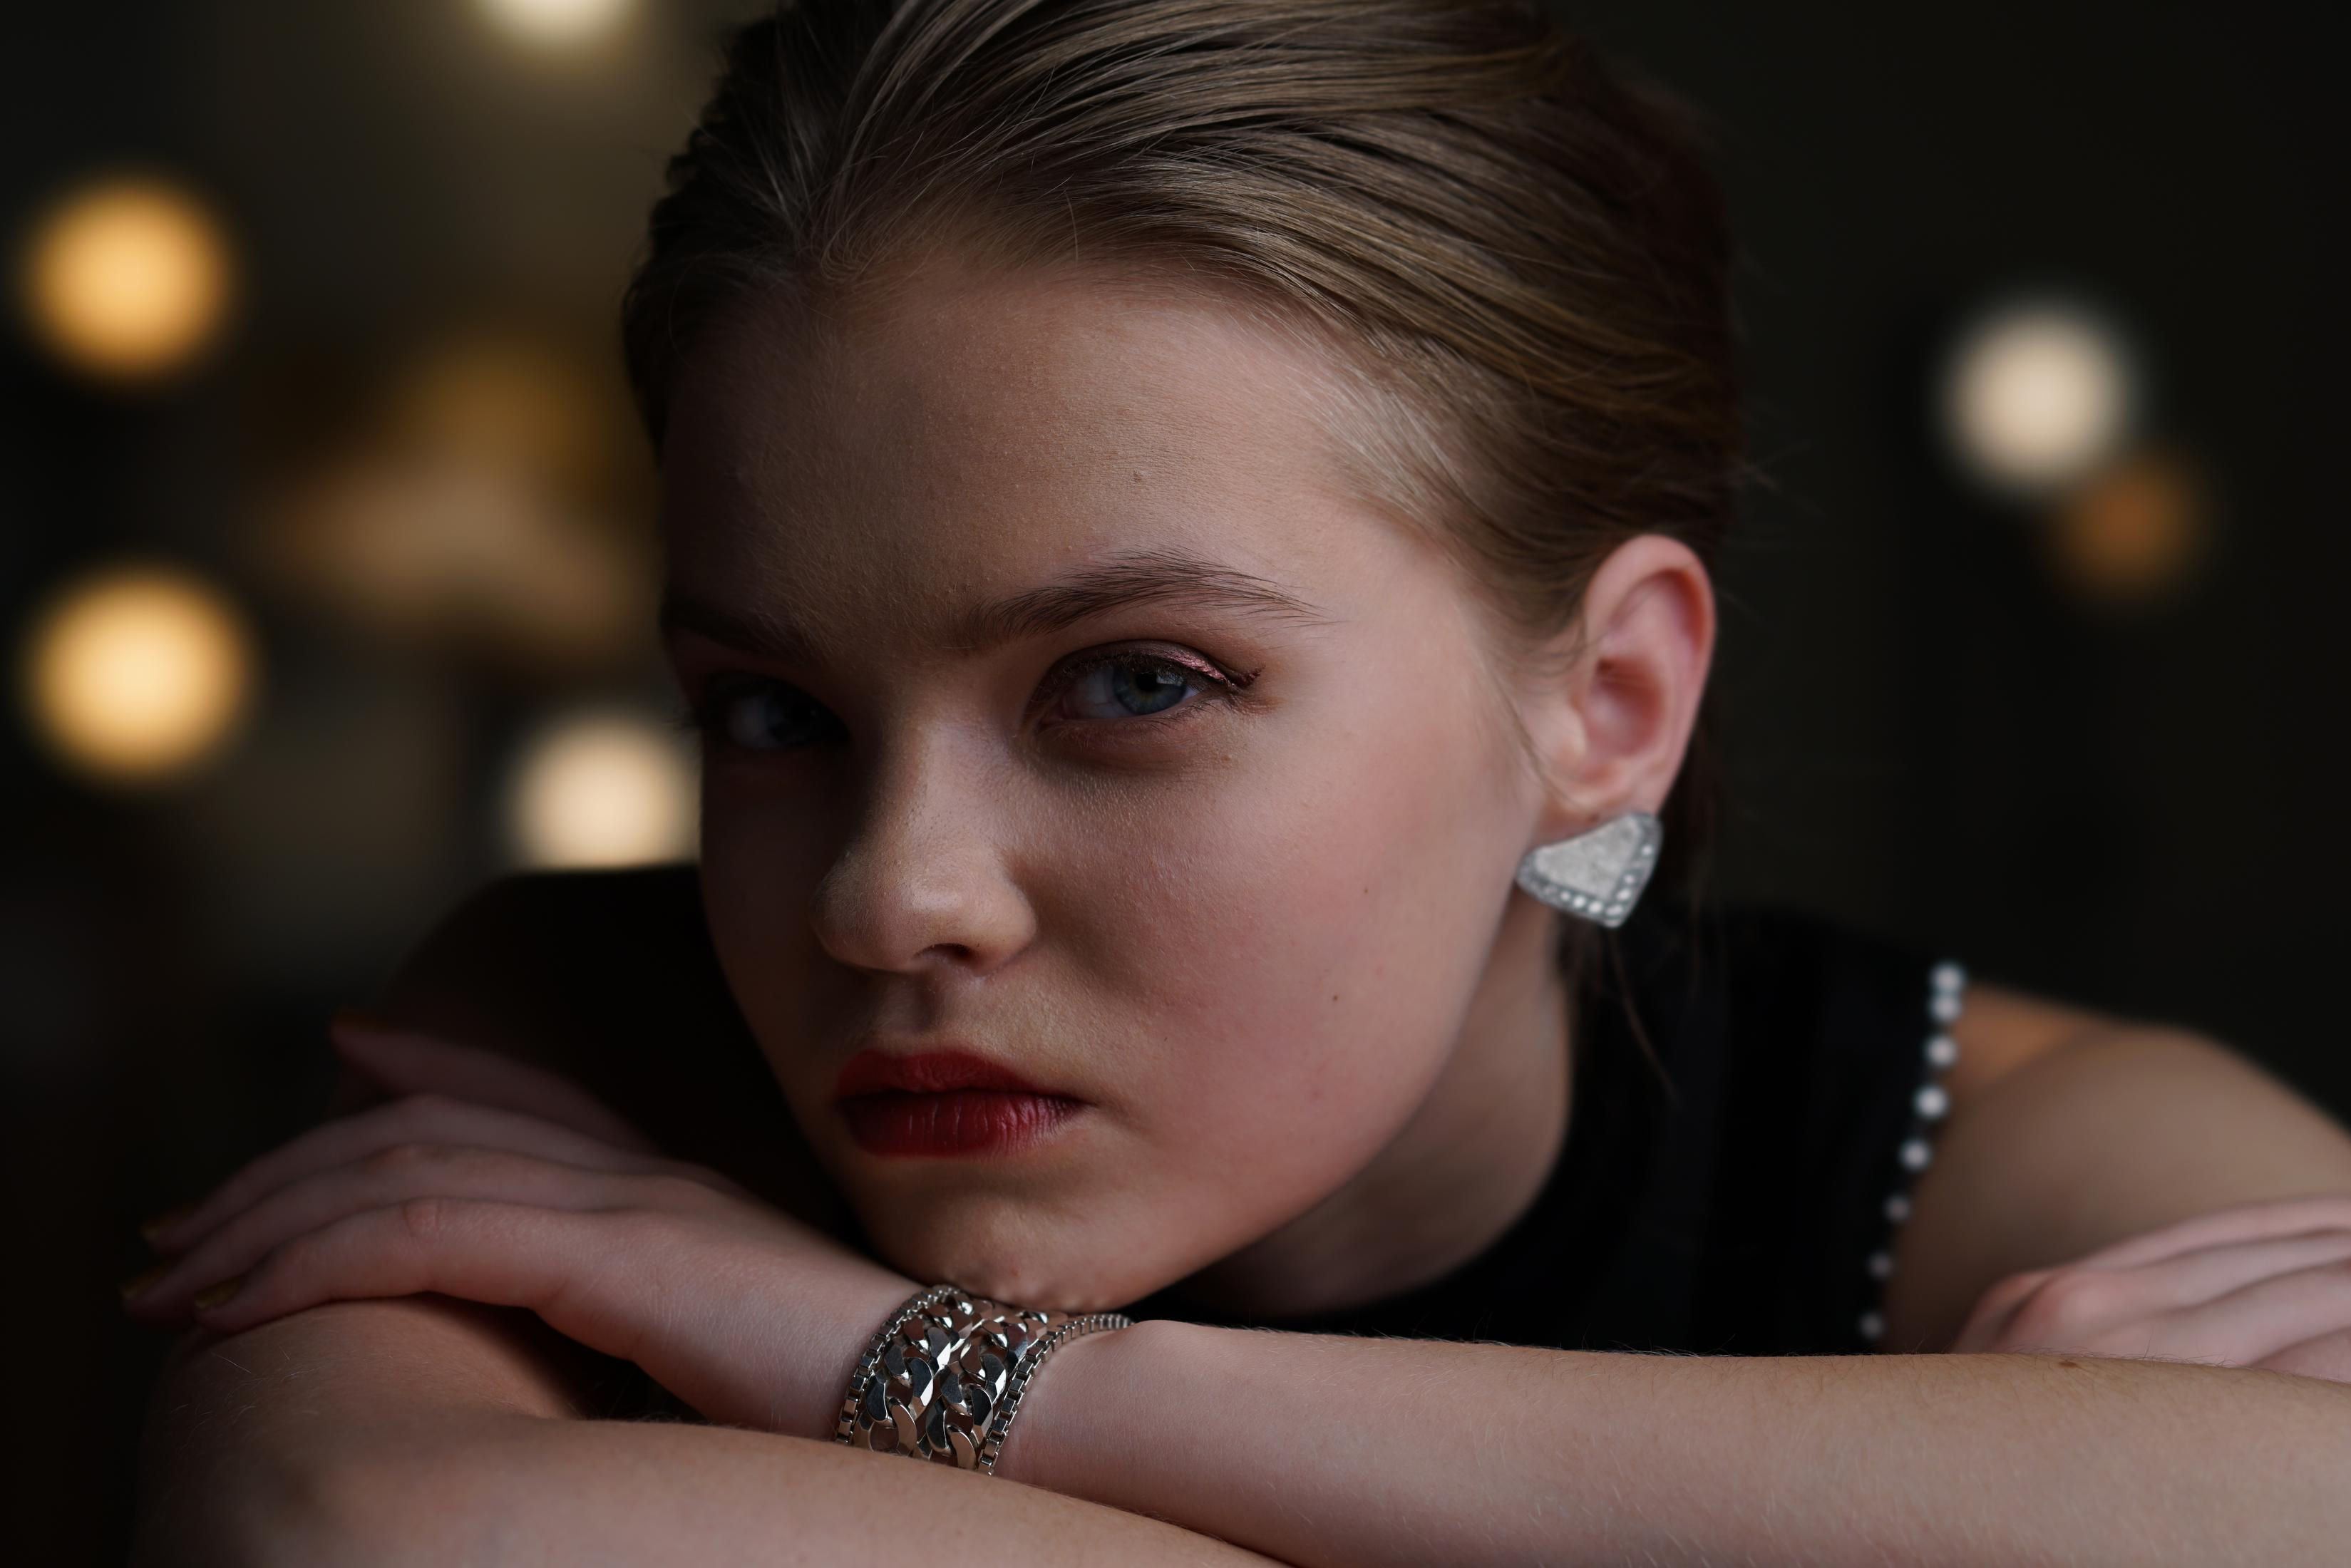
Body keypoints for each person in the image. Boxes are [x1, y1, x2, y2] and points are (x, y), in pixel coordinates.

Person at [123, 2, 2351, 1562]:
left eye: (1133, 684)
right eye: (773, 714)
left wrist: (941, 1375)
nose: (888, 902)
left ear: (1610, 698)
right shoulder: (578, 1049)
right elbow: (368, 1528)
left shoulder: (2029, 1157)